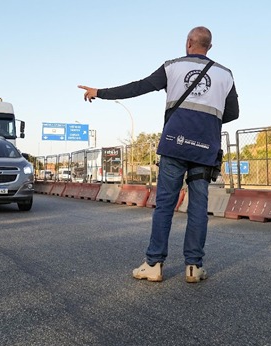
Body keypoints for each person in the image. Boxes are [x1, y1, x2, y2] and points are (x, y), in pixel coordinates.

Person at [78, 26, 239, 283]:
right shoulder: (225, 74)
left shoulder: (172, 67)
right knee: (198, 207)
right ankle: (193, 267)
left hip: (174, 145)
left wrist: (100, 93)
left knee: (165, 205)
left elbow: (139, 87)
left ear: (188, 43)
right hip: (204, 149)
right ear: (209, 46)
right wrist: (206, 122)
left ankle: (154, 264)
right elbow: (233, 113)